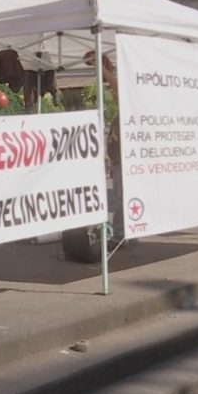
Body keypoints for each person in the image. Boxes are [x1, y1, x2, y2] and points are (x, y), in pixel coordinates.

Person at [84, 50, 124, 247]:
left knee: (120, 198)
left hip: (123, 162)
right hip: (117, 161)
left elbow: (116, 87)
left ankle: (119, 235)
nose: (114, 96)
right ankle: (124, 234)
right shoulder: (119, 116)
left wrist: (101, 68)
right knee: (120, 198)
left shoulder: (126, 108)